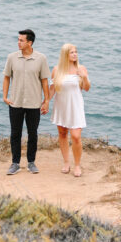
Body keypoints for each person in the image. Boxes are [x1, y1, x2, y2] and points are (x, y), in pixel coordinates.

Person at [2, 28, 50, 175]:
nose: (18, 42)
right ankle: (15, 163)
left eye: (21, 40)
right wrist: (5, 96)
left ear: (30, 42)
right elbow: (6, 77)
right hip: (15, 102)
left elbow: (44, 81)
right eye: (18, 40)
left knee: (32, 134)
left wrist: (46, 100)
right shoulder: (11, 57)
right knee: (15, 134)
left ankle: (31, 162)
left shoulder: (41, 58)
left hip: (34, 103)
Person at [50, 43, 90, 177]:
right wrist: (45, 103)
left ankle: (77, 165)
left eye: (76, 52)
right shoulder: (57, 70)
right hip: (61, 106)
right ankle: (66, 162)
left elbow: (86, 88)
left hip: (75, 106)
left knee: (76, 136)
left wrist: (83, 77)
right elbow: (53, 89)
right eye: (72, 52)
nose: (75, 54)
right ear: (65, 54)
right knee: (62, 133)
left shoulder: (81, 68)